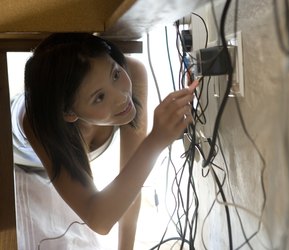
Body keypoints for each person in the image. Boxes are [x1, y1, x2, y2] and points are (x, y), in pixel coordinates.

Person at [11, 32, 196, 249]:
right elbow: (98, 218)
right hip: (21, 162)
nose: (121, 97)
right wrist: (156, 140)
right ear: (69, 113)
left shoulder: (133, 72)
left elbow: (131, 181)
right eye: (99, 97)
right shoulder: (38, 122)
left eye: (115, 74)